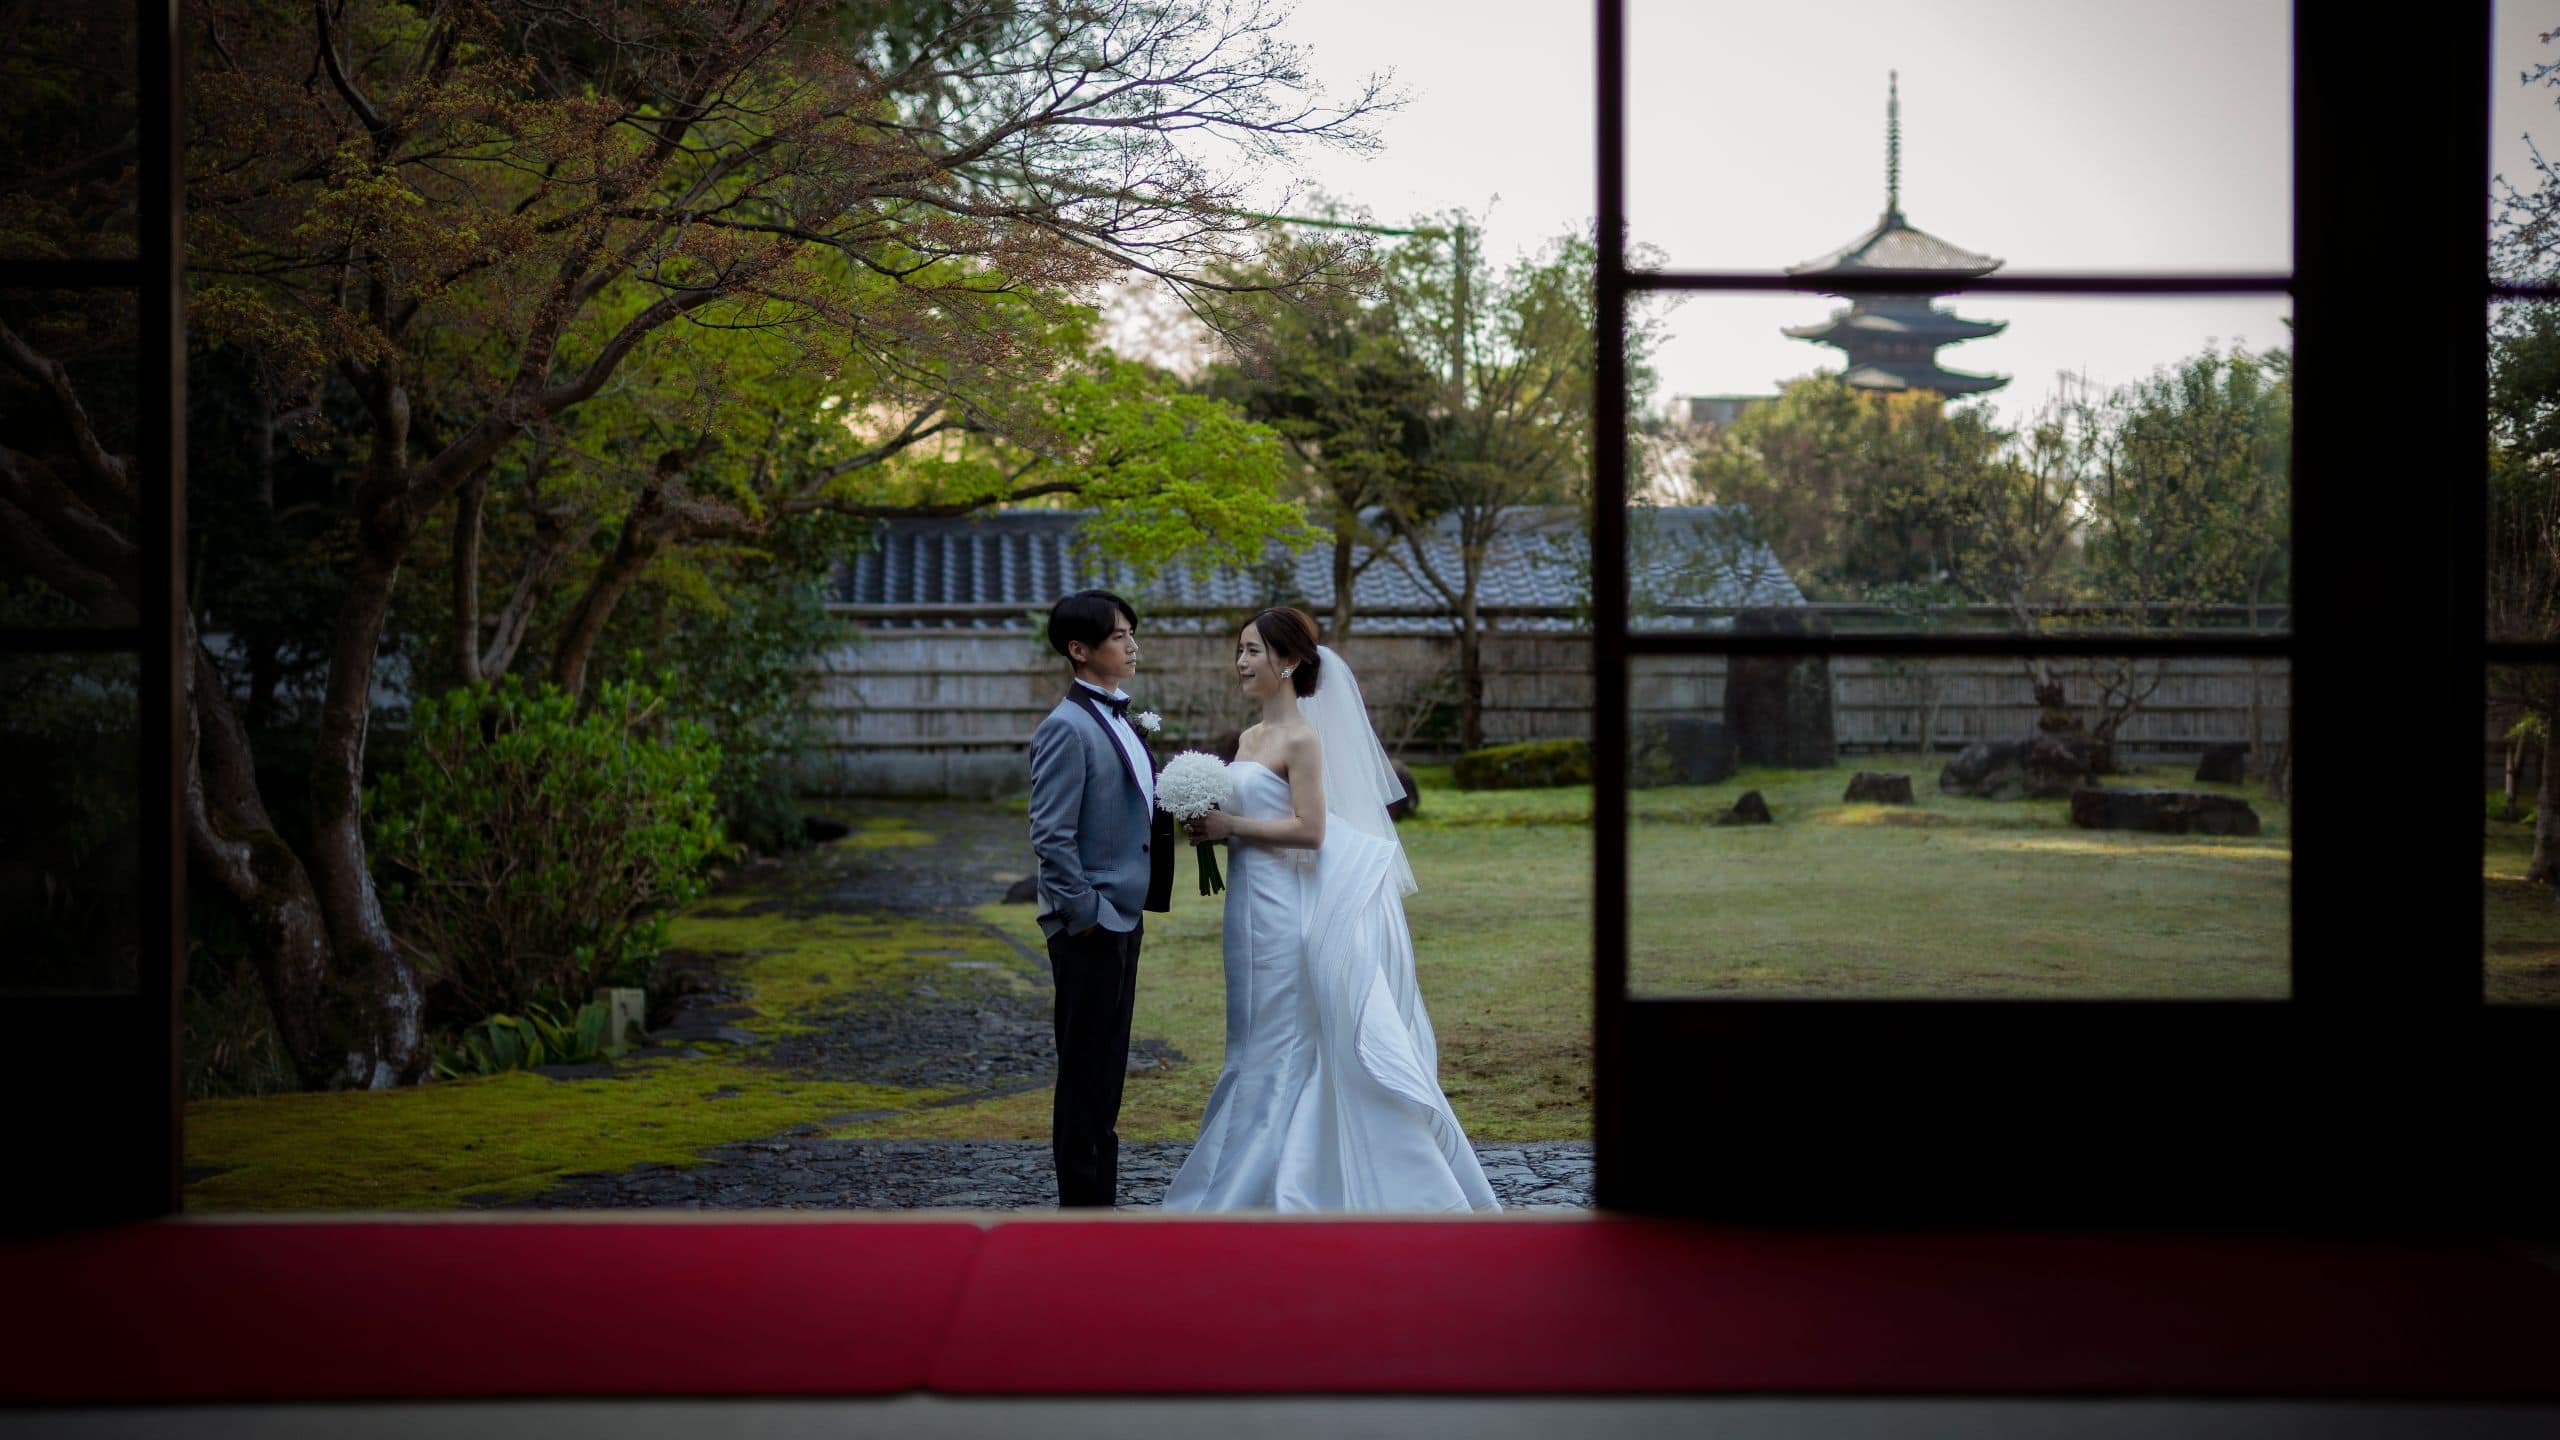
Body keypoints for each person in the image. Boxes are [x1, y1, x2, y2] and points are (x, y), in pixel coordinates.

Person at [1162, 607, 1499, 1212]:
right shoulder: (1247, 739)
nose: (1242, 662)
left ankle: (1283, 1180)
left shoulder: (1301, 740)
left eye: (1254, 652)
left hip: (1285, 910)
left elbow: (1312, 831)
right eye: (1239, 651)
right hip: (1245, 906)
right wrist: (1207, 824)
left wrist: (1230, 822)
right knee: (1247, 1036)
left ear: (1288, 662)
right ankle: (1245, 1165)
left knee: (1282, 1037)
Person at [1026, 590, 1175, 1207]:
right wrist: (1086, 917)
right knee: (1086, 1070)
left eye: (1132, 633)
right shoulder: (1066, 728)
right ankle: (1082, 1207)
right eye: (1119, 636)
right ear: (1079, 650)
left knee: (1108, 1067)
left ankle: (1099, 1205)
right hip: (1091, 926)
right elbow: (1050, 835)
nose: (1133, 645)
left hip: (1123, 918)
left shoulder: (1119, 719)